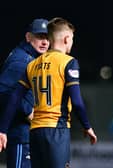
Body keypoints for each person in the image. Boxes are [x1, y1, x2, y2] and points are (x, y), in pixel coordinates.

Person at [0, 17, 97, 168]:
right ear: (66, 39)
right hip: (55, 130)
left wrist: (3, 129)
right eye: (71, 39)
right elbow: (77, 101)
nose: (44, 41)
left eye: (46, 37)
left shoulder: (32, 63)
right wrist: (87, 126)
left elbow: (14, 97)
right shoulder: (68, 62)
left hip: (35, 131)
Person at [0, 18, 49, 168]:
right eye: (40, 36)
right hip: (21, 134)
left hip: (26, 135)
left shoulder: (30, 58)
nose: (45, 42)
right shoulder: (22, 60)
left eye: (47, 37)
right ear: (28, 37)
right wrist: (28, 111)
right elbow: (3, 92)